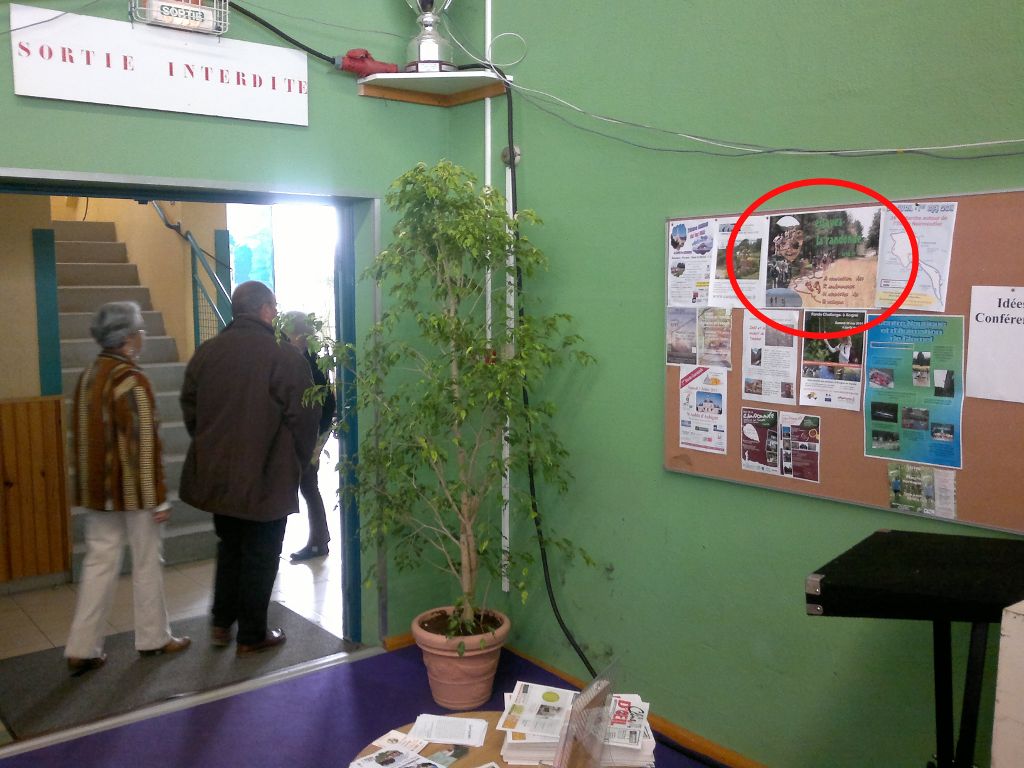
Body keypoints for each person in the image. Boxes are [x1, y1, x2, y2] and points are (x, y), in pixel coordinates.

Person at [180, 281, 319, 655]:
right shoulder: (285, 357)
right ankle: (252, 635)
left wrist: (211, 447)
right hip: (266, 476)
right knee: (261, 554)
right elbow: (306, 417)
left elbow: (191, 409)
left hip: (218, 476)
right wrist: (296, 460)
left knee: (230, 547)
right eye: (274, 308)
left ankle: (221, 624)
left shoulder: (207, 353)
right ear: (267, 310)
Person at [64, 301, 191, 674]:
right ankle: (154, 638)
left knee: (98, 563)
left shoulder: (89, 375)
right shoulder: (131, 379)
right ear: (128, 338)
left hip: (97, 493)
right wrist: (158, 499)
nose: (142, 336)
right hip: (135, 494)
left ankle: (81, 648)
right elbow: (143, 445)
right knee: (147, 561)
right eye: (139, 330)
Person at [281, 310, 336, 561]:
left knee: (308, 482)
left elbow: (325, 404)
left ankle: (319, 540)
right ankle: (319, 539)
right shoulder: (304, 358)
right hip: (313, 430)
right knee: (308, 483)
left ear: (298, 336)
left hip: (315, 431)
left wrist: (314, 438)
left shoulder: (309, 362)